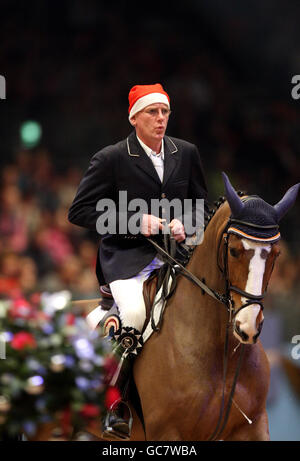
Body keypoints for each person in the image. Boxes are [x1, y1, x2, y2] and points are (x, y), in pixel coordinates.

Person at [68, 83, 208, 439]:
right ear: (134, 118)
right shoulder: (112, 158)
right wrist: (134, 221)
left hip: (176, 259)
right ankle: (116, 405)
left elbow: (203, 205)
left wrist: (187, 223)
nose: (160, 119)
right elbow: (79, 211)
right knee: (133, 315)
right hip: (127, 259)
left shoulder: (186, 152)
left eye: (165, 112)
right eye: (152, 112)